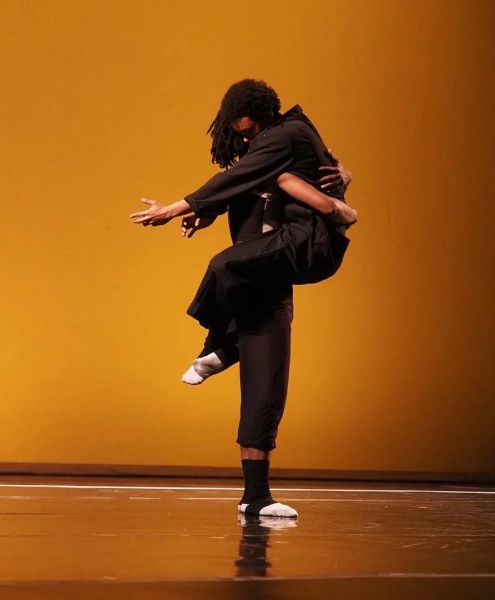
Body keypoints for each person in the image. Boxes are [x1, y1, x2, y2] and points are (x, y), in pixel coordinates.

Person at [130, 79, 355, 519]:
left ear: (266, 117)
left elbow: (238, 178)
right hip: (264, 270)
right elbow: (243, 183)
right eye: (242, 134)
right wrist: (205, 213)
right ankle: (256, 497)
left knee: (222, 266)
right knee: (263, 383)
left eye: (250, 131)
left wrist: (174, 208)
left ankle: (222, 343)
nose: (247, 139)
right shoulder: (268, 150)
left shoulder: (286, 136)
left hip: (296, 249)